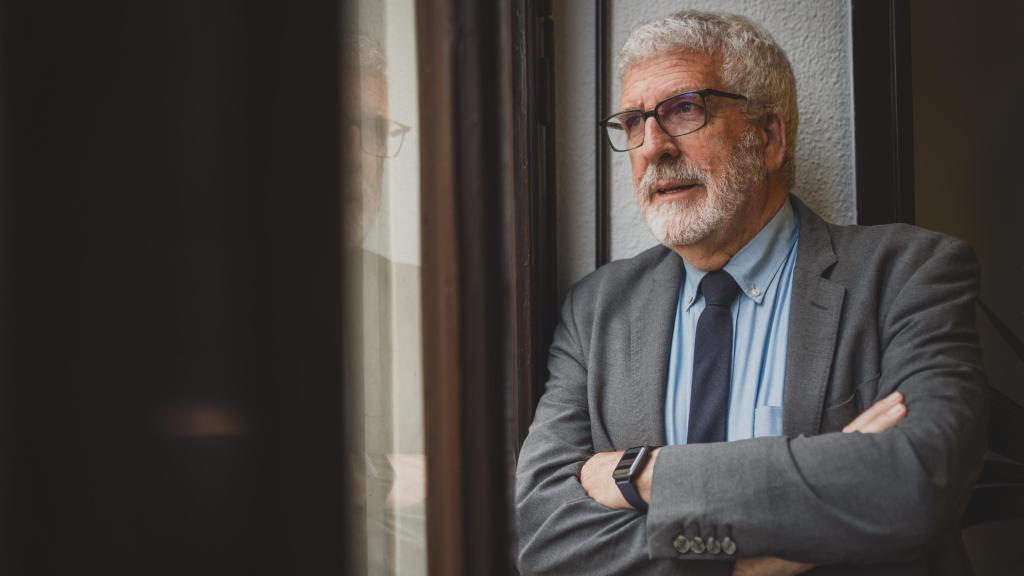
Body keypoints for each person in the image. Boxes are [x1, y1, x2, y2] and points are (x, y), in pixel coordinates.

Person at [515, 10, 987, 576]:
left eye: (683, 109)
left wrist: (639, 474)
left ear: (768, 137)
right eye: (635, 121)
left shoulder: (909, 274)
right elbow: (542, 531)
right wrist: (737, 564)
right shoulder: (595, 312)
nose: (653, 146)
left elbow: (917, 483)